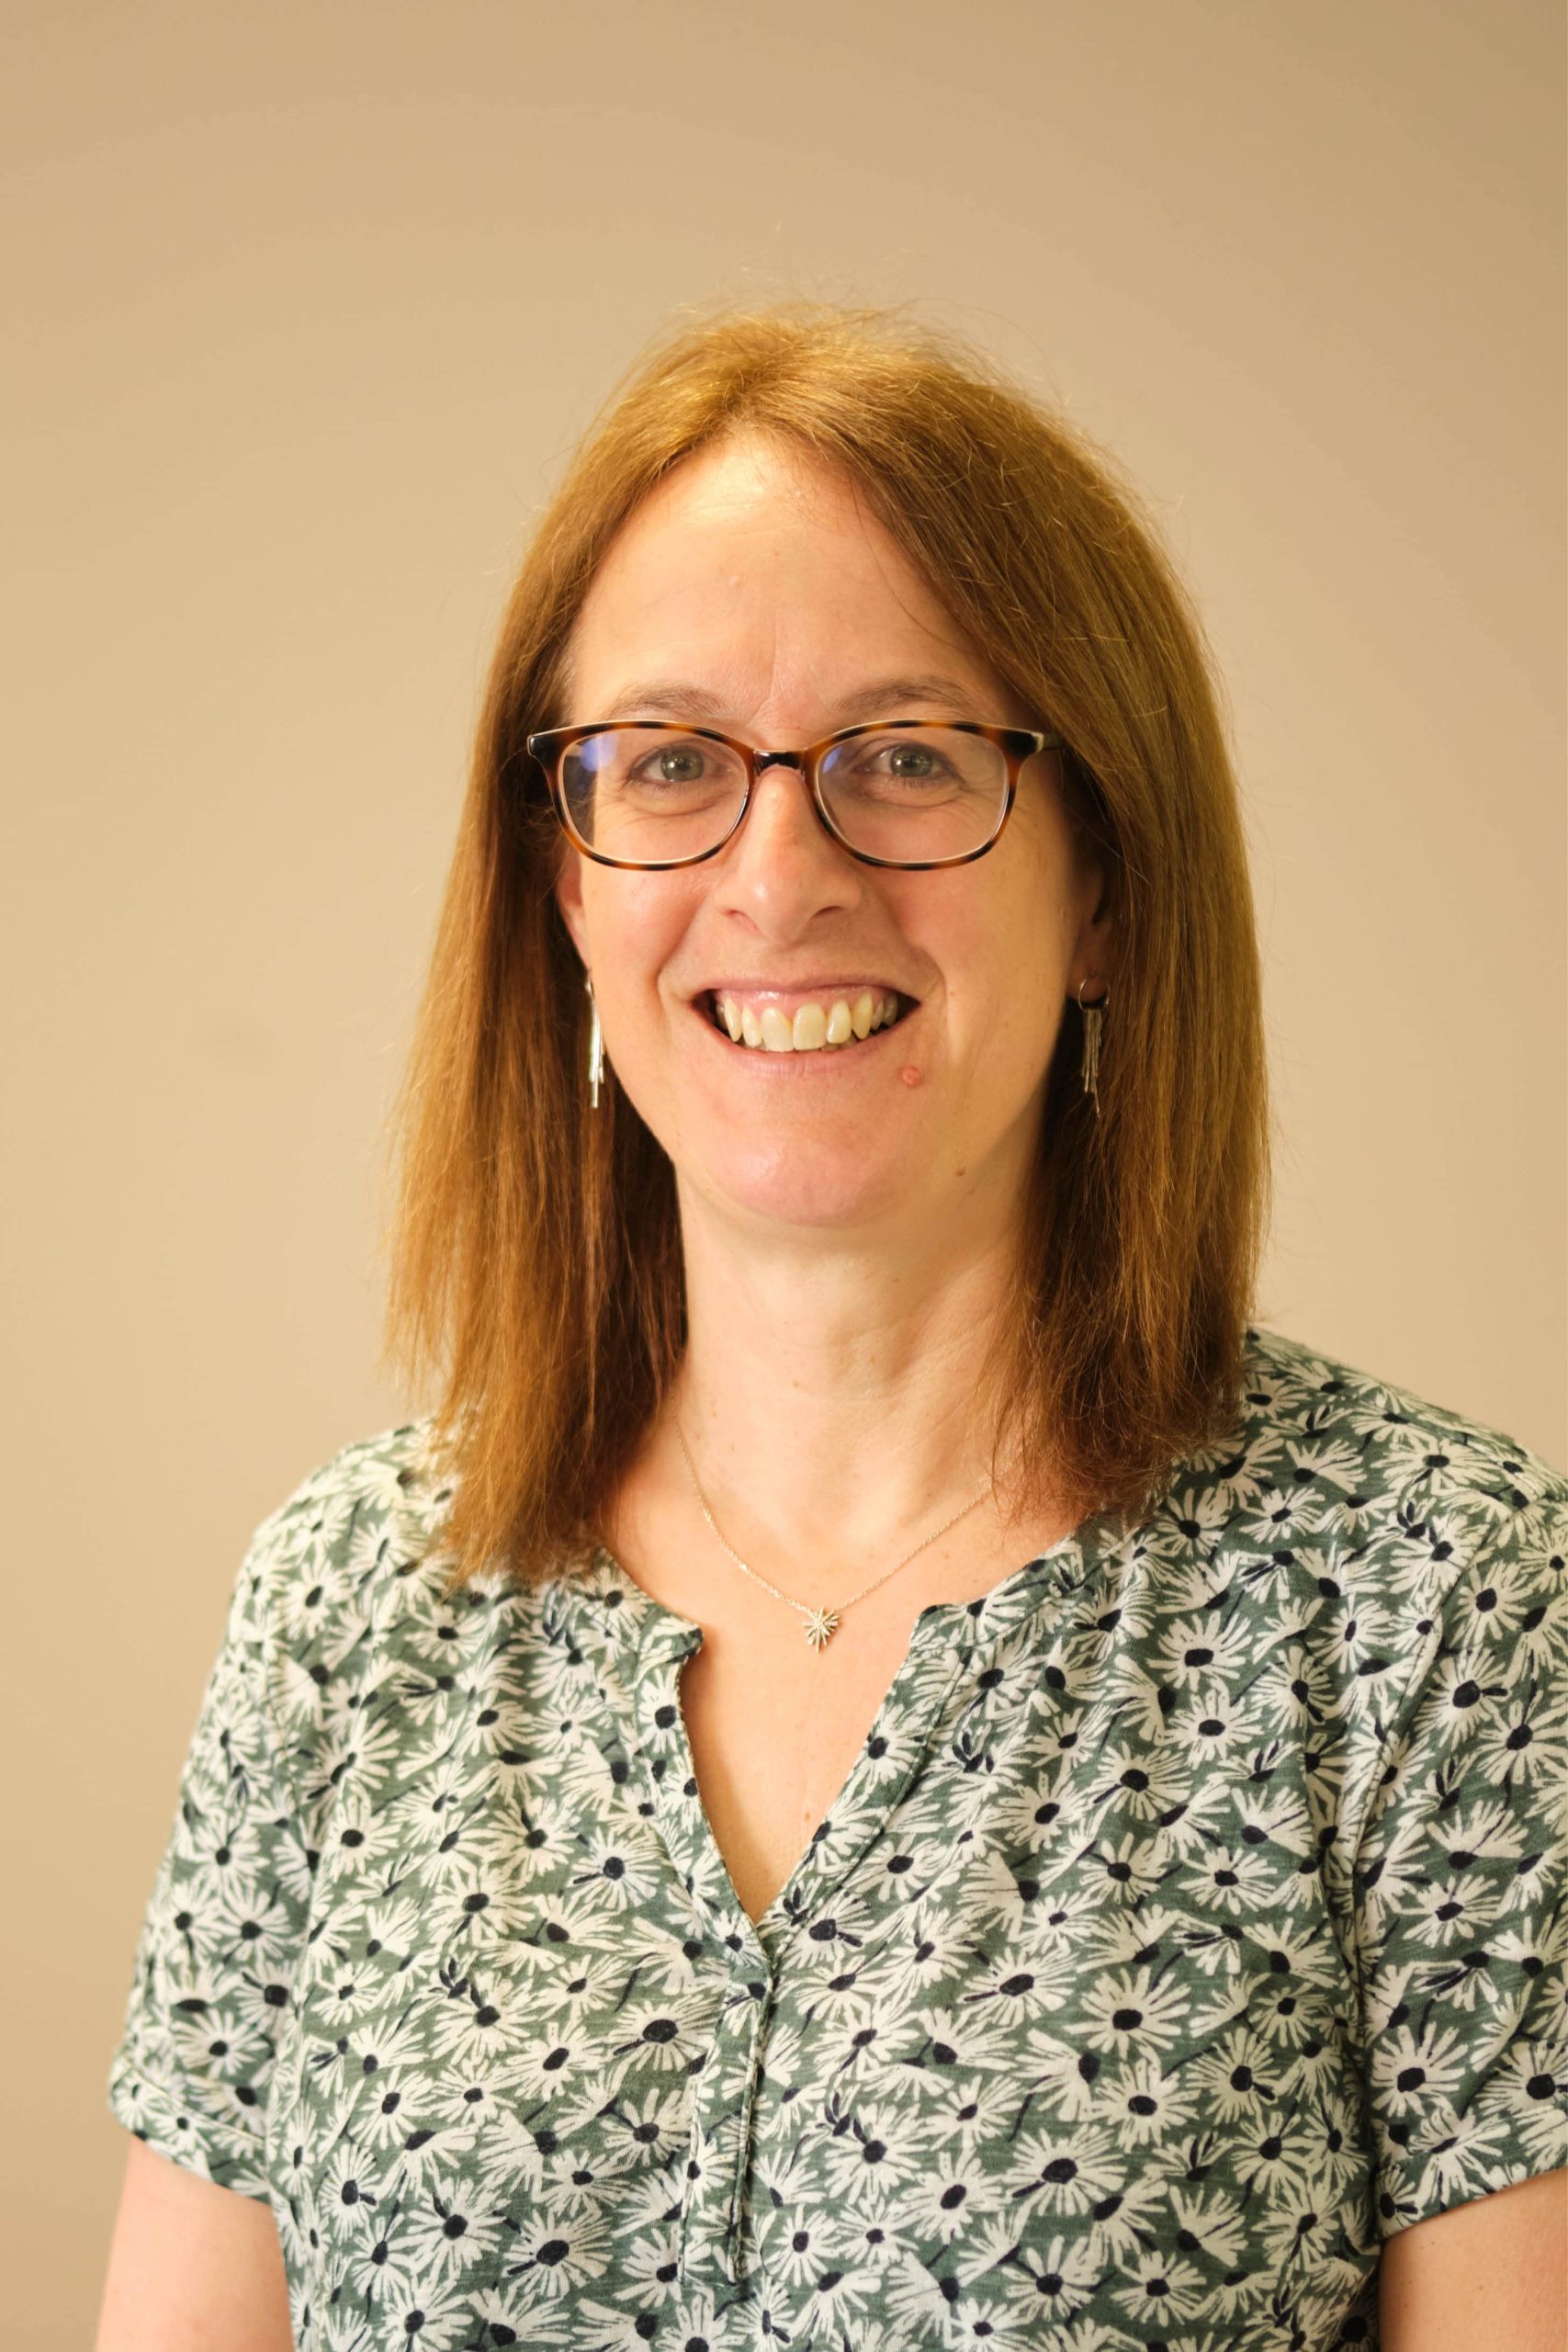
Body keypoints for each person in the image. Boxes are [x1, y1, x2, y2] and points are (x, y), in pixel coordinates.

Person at [96, 304, 1566, 2351]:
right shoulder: (347, 1616)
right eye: (672, 763)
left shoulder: (1430, 1611)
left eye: (902, 757)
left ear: (1109, 889)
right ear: (566, 886)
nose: (775, 876)